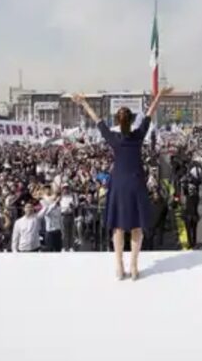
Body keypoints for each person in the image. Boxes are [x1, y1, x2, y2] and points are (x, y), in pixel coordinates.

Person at [72, 87, 171, 280]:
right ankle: (133, 266)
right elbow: (150, 114)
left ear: (117, 121)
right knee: (136, 226)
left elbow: (97, 120)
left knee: (118, 226)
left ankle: (119, 265)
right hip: (136, 182)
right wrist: (159, 95)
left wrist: (84, 102)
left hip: (118, 183)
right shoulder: (138, 136)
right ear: (132, 120)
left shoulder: (113, 138)